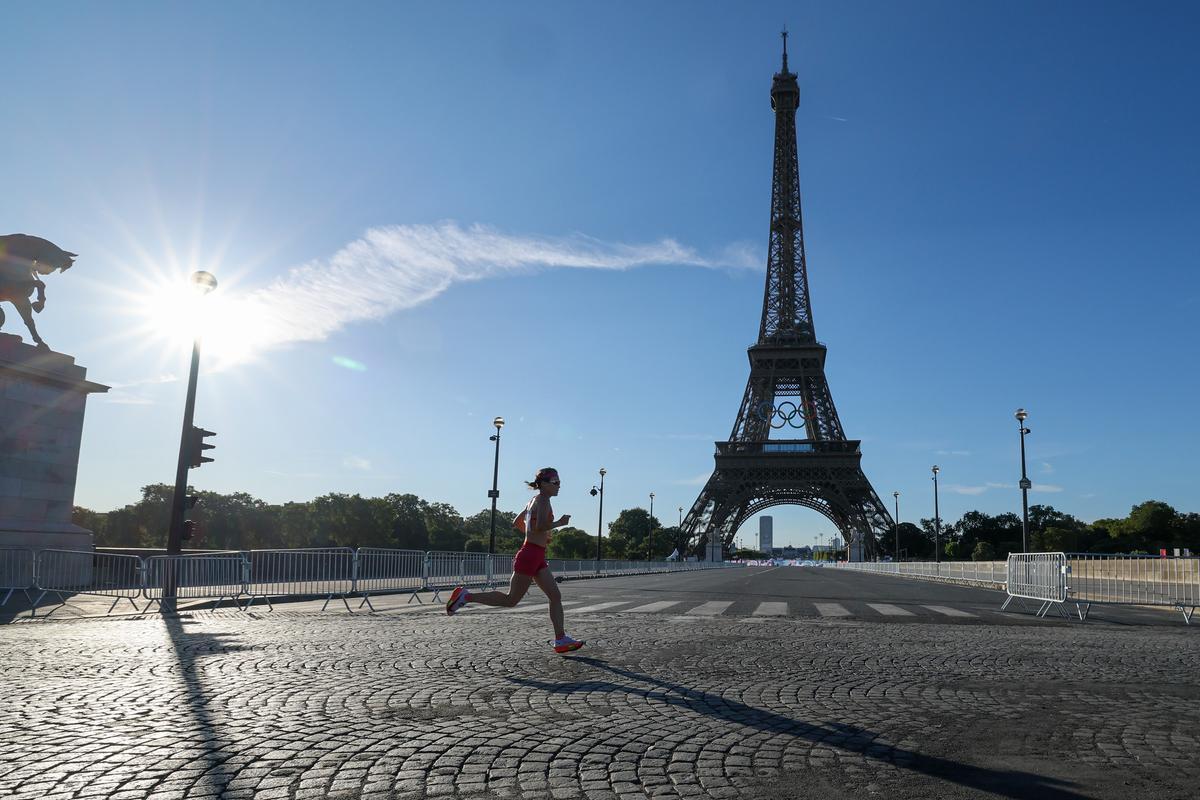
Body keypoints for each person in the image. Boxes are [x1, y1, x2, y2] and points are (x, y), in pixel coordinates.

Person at [446, 467, 584, 654]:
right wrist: (558, 524)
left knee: (555, 596)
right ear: (544, 484)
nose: (559, 486)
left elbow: (517, 523)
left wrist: (538, 537)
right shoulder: (543, 499)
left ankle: (560, 639)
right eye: (556, 482)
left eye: (559, 482)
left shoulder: (533, 501)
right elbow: (541, 525)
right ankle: (466, 596)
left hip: (535, 554)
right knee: (511, 600)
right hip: (530, 555)